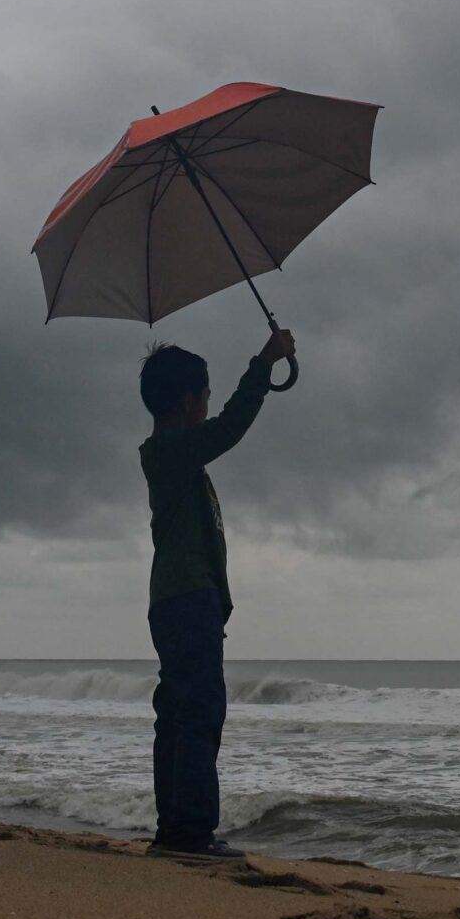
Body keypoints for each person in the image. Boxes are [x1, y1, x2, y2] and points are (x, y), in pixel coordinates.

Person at [136, 325, 295, 859]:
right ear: (186, 403)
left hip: (177, 599)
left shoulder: (173, 454)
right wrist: (264, 363)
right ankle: (191, 832)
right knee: (199, 711)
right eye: (204, 394)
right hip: (187, 598)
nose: (208, 403)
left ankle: (177, 828)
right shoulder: (172, 451)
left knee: (178, 713)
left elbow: (219, 429)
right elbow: (230, 426)